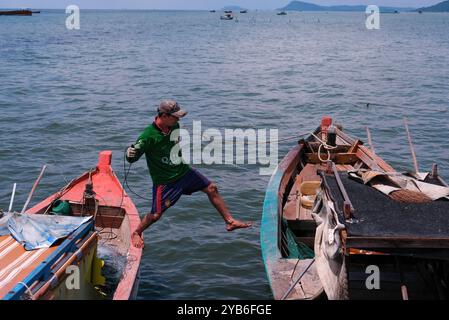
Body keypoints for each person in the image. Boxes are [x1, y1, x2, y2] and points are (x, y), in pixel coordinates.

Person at [126, 100, 252, 248]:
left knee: (212, 188)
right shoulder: (147, 136)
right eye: (175, 116)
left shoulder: (175, 126)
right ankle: (136, 232)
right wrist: (130, 154)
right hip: (165, 181)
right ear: (164, 116)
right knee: (155, 215)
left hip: (183, 172)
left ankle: (230, 222)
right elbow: (132, 158)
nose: (178, 119)